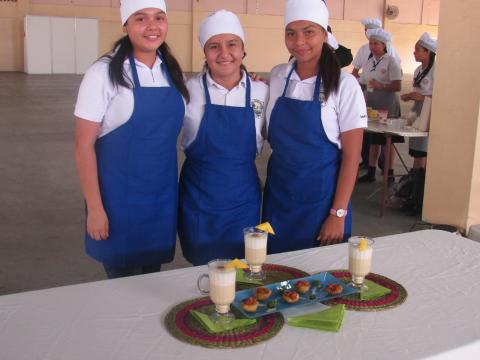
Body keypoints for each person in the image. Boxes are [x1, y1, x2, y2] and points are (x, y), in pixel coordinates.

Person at [74, 0, 188, 279]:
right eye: (141, 19)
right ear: (125, 25)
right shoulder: (103, 73)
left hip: (160, 201)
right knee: (122, 289)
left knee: (151, 281)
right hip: (118, 204)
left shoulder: (170, 72)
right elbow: (82, 145)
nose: (152, 26)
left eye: (159, 18)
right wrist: (96, 209)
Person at [262, 0, 367, 253]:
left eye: (309, 32)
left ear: (324, 34)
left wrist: (338, 214)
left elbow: (352, 158)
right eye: (291, 33)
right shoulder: (277, 77)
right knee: (278, 274)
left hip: (322, 204)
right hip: (278, 199)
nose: (299, 42)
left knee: (320, 281)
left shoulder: (344, 85)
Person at [178, 10, 268, 266]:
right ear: (205, 53)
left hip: (243, 198)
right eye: (214, 46)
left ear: (243, 50)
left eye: (232, 44)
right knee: (201, 272)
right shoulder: (187, 90)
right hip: (199, 198)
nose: (224, 53)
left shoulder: (262, 91)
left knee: (242, 269)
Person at [398, 32, 437, 214]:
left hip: (430, 113)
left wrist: (423, 96)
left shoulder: (438, 70)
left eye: (417, 50)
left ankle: (419, 195)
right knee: (416, 152)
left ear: (427, 52)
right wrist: (410, 96)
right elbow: (418, 91)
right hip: (418, 111)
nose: (414, 53)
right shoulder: (417, 71)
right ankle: (413, 190)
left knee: (423, 151)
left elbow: (441, 95)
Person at [358, 28, 403, 183]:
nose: (372, 46)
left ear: (384, 45)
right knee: (373, 139)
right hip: (372, 105)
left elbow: (397, 86)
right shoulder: (369, 62)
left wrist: (380, 85)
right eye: (370, 43)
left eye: (375, 43)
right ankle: (371, 170)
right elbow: (363, 82)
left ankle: (389, 172)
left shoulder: (391, 61)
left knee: (388, 140)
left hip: (387, 105)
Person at [352, 18, 401, 86]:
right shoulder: (364, 49)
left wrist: (381, 86)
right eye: (371, 44)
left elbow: (396, 81)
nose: (366, 33)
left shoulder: (389, 50)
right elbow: (355, 72)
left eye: (375, 43)